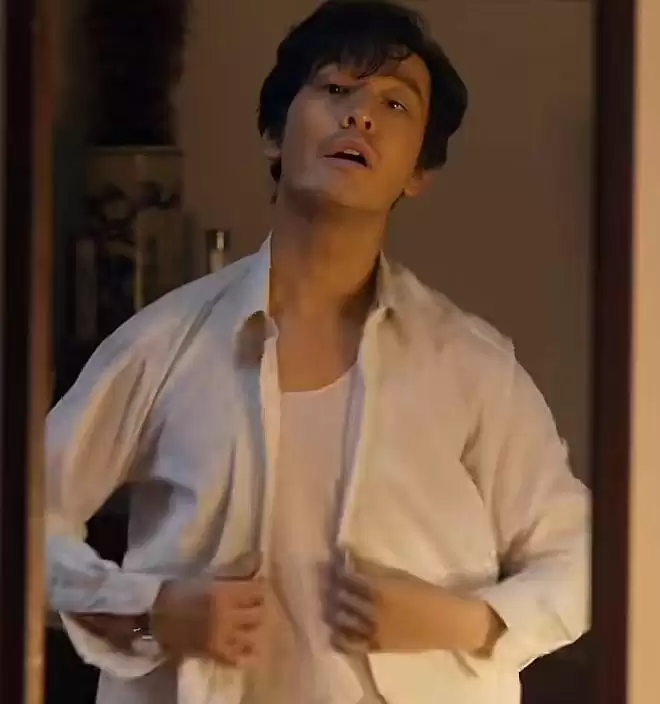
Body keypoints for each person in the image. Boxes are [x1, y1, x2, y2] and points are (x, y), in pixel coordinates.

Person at [46, 1, 590, 703]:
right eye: (335, 89)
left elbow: (587, 561)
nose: (360, 116)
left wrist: (467, 621)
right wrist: (147, 609)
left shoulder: (474, 367)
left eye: (395, 103)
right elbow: (27, 523)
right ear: (275, 135)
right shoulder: (163, 343)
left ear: (418, 171)